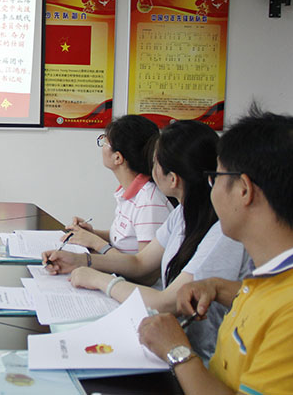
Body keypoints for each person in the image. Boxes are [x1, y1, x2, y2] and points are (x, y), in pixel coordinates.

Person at [45, 120, 250, 361]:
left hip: (198, 358)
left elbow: (165, 302)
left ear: (173, 179)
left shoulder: (222, 232)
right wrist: (80, 260)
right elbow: (141, 262)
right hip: (169, 342)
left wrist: (98, 279)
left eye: (154, 164)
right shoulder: (183, 213)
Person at [138, 109, 293, 394]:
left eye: (215, 177)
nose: (211, 189)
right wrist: (217, 286)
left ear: (244, 189)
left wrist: (177, 350)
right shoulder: (275, 273)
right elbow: (265, 300)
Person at [65, 115, 171, 255]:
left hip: (127, 277)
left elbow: (146, 271)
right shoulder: (127, 192)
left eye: (105, 141)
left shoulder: (149, 202)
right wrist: (91, 234)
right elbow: (123, 241)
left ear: (118, 158)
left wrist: (95, 242)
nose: (102, 145)